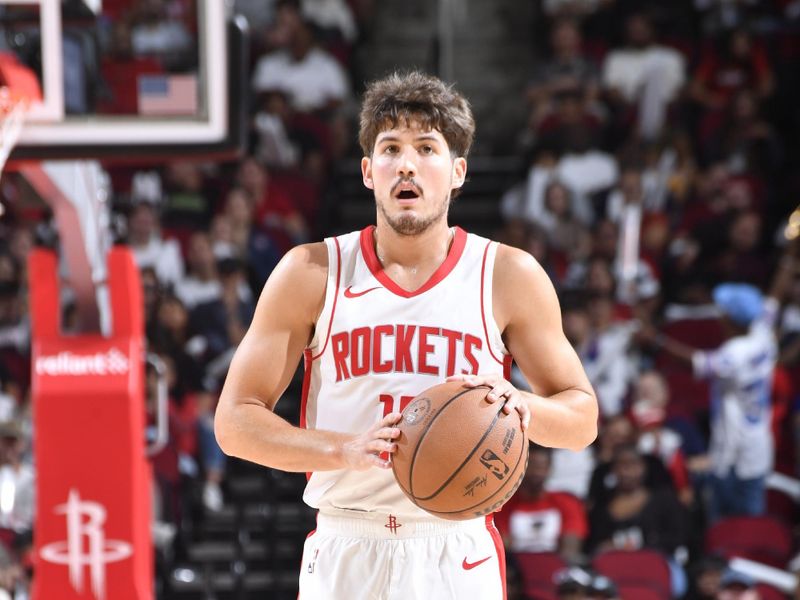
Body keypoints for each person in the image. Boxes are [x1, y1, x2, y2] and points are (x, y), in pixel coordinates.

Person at [214, 71, 598, 599]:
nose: (408, 164)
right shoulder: (310, 271)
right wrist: (343, 449)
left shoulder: (508, 275)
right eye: (391, 148)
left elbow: (582, 420)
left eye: (426, 147)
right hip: (347, 541)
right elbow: (234, 423)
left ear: (458, 171)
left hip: (454, 548)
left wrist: (520, 405)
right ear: (369, 172)